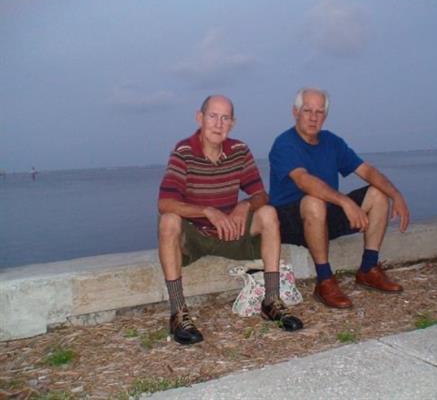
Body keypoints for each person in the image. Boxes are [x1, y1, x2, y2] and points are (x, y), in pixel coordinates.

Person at [158, 95, 303, 345]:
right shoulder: (184, 151)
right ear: (200, 118)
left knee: (268, 214)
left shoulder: (239, 150)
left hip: (232, 233)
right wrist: (207, 211)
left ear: (232, 123)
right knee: (169, 221)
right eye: (213, 116)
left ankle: (271, 301)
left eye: (225, 118)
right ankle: (178, 313)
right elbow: (165, 203)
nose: (218, 123)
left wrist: (244, 205)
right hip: (198, 236)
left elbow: (260, 194)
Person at [268, 88, 410, 309]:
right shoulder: (284, 144)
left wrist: (397, 195)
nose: (313, 117)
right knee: (313, 201)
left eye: (319, 112)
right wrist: (345, 201)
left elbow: (367, 171)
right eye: (307, 111)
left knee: (378, 194)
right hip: (290, 221)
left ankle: (368, 269)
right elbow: (304, 181)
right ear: (295, 111)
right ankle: (325, 280)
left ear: (325, 116)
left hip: (324, 215)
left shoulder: (332, 142)